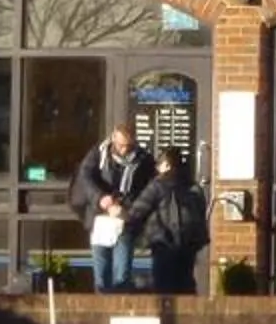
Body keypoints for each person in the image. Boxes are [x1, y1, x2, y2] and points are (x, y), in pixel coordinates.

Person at [70, 125, 152, 294]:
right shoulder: (98, 154)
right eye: (120, 145)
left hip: (124, 220)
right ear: (113, 139)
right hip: (100, 218)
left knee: (122, 273)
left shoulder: (143, 160)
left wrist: (126, 208)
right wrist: (100, 198)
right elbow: (85, 177)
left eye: (128, 146)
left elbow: (147, 191)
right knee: (101, 273)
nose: (123, 150)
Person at [125, 146, 211, 297]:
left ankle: (167, 319)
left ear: (167, 165)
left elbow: (138, 210)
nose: (157, 168)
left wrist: (127, 225)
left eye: (160, 164)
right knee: (185, 283)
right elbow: (201, 213)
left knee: (163, 286)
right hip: (188, 243)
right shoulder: (193, 186)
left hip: (164, 241)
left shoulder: (158, 184)